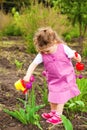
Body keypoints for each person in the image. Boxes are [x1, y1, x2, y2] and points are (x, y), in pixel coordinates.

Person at [23, 27, 81, 125]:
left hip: (66, 77)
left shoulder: (63, 48)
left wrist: (77, 57)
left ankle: (59, 116)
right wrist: (27, 75)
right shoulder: (42, 53)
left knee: (61, 96)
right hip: (53, 79)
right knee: (53, 95)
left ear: (54, 42)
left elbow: (75, 56)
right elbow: (33, 64)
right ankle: (53, 112)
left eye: (47, 51)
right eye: (43, 51)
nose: (45, 53)